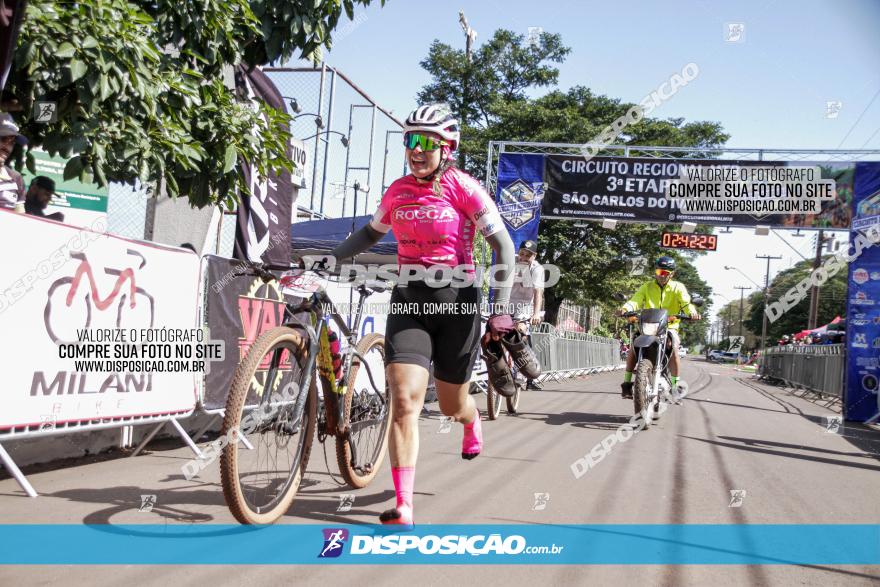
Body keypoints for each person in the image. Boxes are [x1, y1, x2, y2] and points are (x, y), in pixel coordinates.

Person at [330, 104, 516, 528]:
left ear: (446, 148)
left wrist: (500, 309)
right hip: (411, 300)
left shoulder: (465, 189)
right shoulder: (397, 191)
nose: (416, 150)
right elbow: (369, 233)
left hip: (458, 303)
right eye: (410, 141)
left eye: (425, 143)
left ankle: (470, 423)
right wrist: (333, 257)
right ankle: (404, 505)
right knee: (404, 401)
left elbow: (504, 248)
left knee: (452, 404)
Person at [617, 256, 700, 399]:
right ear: (655, 271)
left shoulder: (678, 287)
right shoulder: (647, 286)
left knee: (672, 346)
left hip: (670, 326)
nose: (662, 275)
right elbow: (635, 301)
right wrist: (624, 309)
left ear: (672, 274)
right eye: (660, 272)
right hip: (648, 325)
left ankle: (675, 385)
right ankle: (626, 383)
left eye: (666, 273)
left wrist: (691, 312)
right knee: (633, 345)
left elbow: (686, 303)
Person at [508, 239, 545, 390]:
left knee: (521, 337)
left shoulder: (537, 269)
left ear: (534, 256)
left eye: (527, 256)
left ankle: (527, 377)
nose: (523, 258)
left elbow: (538, 292)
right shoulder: (511, 263)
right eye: (522, 254)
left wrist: (536, 313)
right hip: (506, 302)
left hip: (524, 307)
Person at [0, 113, 25, 213]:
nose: (7, 147)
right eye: (3, 139)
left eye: (12, 142)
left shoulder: (16, 178)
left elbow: (20, 218)